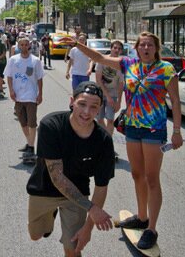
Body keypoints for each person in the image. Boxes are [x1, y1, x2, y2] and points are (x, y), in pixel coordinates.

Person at [75, 32, 183, 249]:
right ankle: (141, 217)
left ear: (155, 48)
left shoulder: (166, 69)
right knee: (136, 175)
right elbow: (100, 58)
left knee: (152, 179)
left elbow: (176, 101)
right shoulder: (128, 64)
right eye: (142, 44)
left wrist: (177, 131)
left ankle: (151, 229)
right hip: (133, 127)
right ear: (136, 48)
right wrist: (78, 45)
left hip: (154, 130)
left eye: (149, 45)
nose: (145, 48)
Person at [26, 81, 115, 257]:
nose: (86, 112)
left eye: (93, 107)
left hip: (78, 193)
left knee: (74, 248)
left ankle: (69, 226)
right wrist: (93, 209)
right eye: (82, 104)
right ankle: (51, 214)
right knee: (35, 235)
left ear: (99, 109)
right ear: (72, 101)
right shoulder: (51, 125)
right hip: (45, 188)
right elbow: (57, 177)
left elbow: (101, 187)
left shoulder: (103, 141)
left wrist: (88, 228)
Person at [4, 37, 44, 159]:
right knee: (23, 123)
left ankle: (31, 148)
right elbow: (9, 76)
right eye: (22, 45)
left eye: (26, 44)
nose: (24, 47)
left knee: (32, 123)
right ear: (18, 46)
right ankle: (29, 143)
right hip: (18, 96)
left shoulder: (35, 61)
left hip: (31, 96)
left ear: (29, 46)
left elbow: (39, 78)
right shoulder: (13, 60)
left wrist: (40, 94)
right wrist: (11, 91)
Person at [90, 40, 124, 137]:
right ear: (111, 48)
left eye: (119, 49)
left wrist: (119, 102)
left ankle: (108, 141)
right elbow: (98, 80)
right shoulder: (102, 60)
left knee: (110, 119)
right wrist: (107, 96)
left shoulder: (121, 64)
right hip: (100, 93)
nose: (117, 50)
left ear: (121, 51)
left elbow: (121, 84)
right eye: (115, 48)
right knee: (99, 119)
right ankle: (104, 138)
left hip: (113, 94)